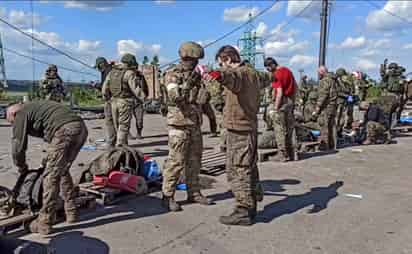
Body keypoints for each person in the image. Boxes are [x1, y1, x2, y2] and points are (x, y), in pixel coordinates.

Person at [205, 45, 272, 226]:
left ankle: (243, 210)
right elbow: (268, 77)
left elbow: (229, 77)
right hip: (248, 126)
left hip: (239, 129)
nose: (222, 66)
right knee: (248, 166)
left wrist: (215, 73)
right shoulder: (253, 73)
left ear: (228, 59)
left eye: (222, 63)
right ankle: (253, 200)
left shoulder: (239, 74)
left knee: (237, 170)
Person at [7, 101, 88, 235]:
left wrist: (21, 167)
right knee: (62, 170)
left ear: (13, 113)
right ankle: (71, 211)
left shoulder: (21, 114)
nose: (13, 125)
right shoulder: (35, 107)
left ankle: (45, 222)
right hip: (81, 129)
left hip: (65, 130)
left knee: (51, 176)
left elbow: (18, 146)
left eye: (11, 122)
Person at [161, 41, 211, 212]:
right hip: (179, 125)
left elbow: (203, 99)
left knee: (195, 161)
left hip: (194, 124)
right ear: (185, 57)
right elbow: (175, 97)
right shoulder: (172, 74)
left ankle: (194, 192)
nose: (196, 63)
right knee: (175, 162)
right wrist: (188, 85)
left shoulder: (196, 75)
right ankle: (167, 196)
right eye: (194, 60)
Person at [102, 53, 147, 146]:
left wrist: (107, 98)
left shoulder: (112, 72)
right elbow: (136, 89)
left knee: (116, 125)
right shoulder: (129, 73)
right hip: (125, 102)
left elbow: (104, 88)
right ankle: (120, 147)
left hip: (113, 102)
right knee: (123, 126)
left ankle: (116, 146)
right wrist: (144, 99)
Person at [264, 57, 297, 162]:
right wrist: (292, 101)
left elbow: (279, 92)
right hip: (290, 101)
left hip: (282, 103)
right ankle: (294, 154)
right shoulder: (288, 71)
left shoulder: (277, 75)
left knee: (280, 130)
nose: (268, 70)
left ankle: (282, 155)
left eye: (268, 68)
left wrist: (275, 108)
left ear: (272, 65)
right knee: (291, 129)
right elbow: (295, 87)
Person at [311, 66, 338, 151]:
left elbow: (323, 95)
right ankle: (332, 145)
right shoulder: (333, 80)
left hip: (326, 107)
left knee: (324, 125)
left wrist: (317, 108)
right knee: (332, 126)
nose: (318, 74)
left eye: (319, 72)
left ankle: (324, 145)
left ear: (322, 72)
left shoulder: (325, 80)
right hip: (333, 106)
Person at [94, 57, 116, 148]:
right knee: (115, 121)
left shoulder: (107, 72)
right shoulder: (111, 70)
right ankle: (117, 141)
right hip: (115, 99)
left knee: (109, 121)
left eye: (98, 66)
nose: (98, 68)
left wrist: (96, 85)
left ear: (101, 64)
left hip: (110, 100)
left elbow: (105, 87)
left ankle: (111, 143)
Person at [132, 69, 149, 140]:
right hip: (128, 101)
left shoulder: (141, 77)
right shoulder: (126, 75)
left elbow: (145, 88)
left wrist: (144, 97)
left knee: (139, 119)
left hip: (138, 101)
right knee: (126, 120)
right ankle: (127, 134)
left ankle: (139, 133)